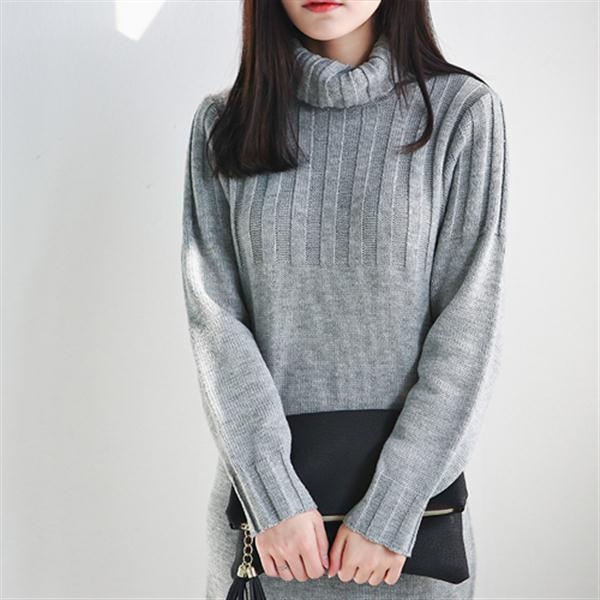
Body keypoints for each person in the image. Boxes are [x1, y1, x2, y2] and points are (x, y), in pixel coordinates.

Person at [180, 0, 509, 598]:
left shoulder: (461, 114)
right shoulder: (224, 123)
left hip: (409, 537)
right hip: (269, 538)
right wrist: (273, 498)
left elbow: (469, 331)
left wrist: (391, 509)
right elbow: (216, 324)